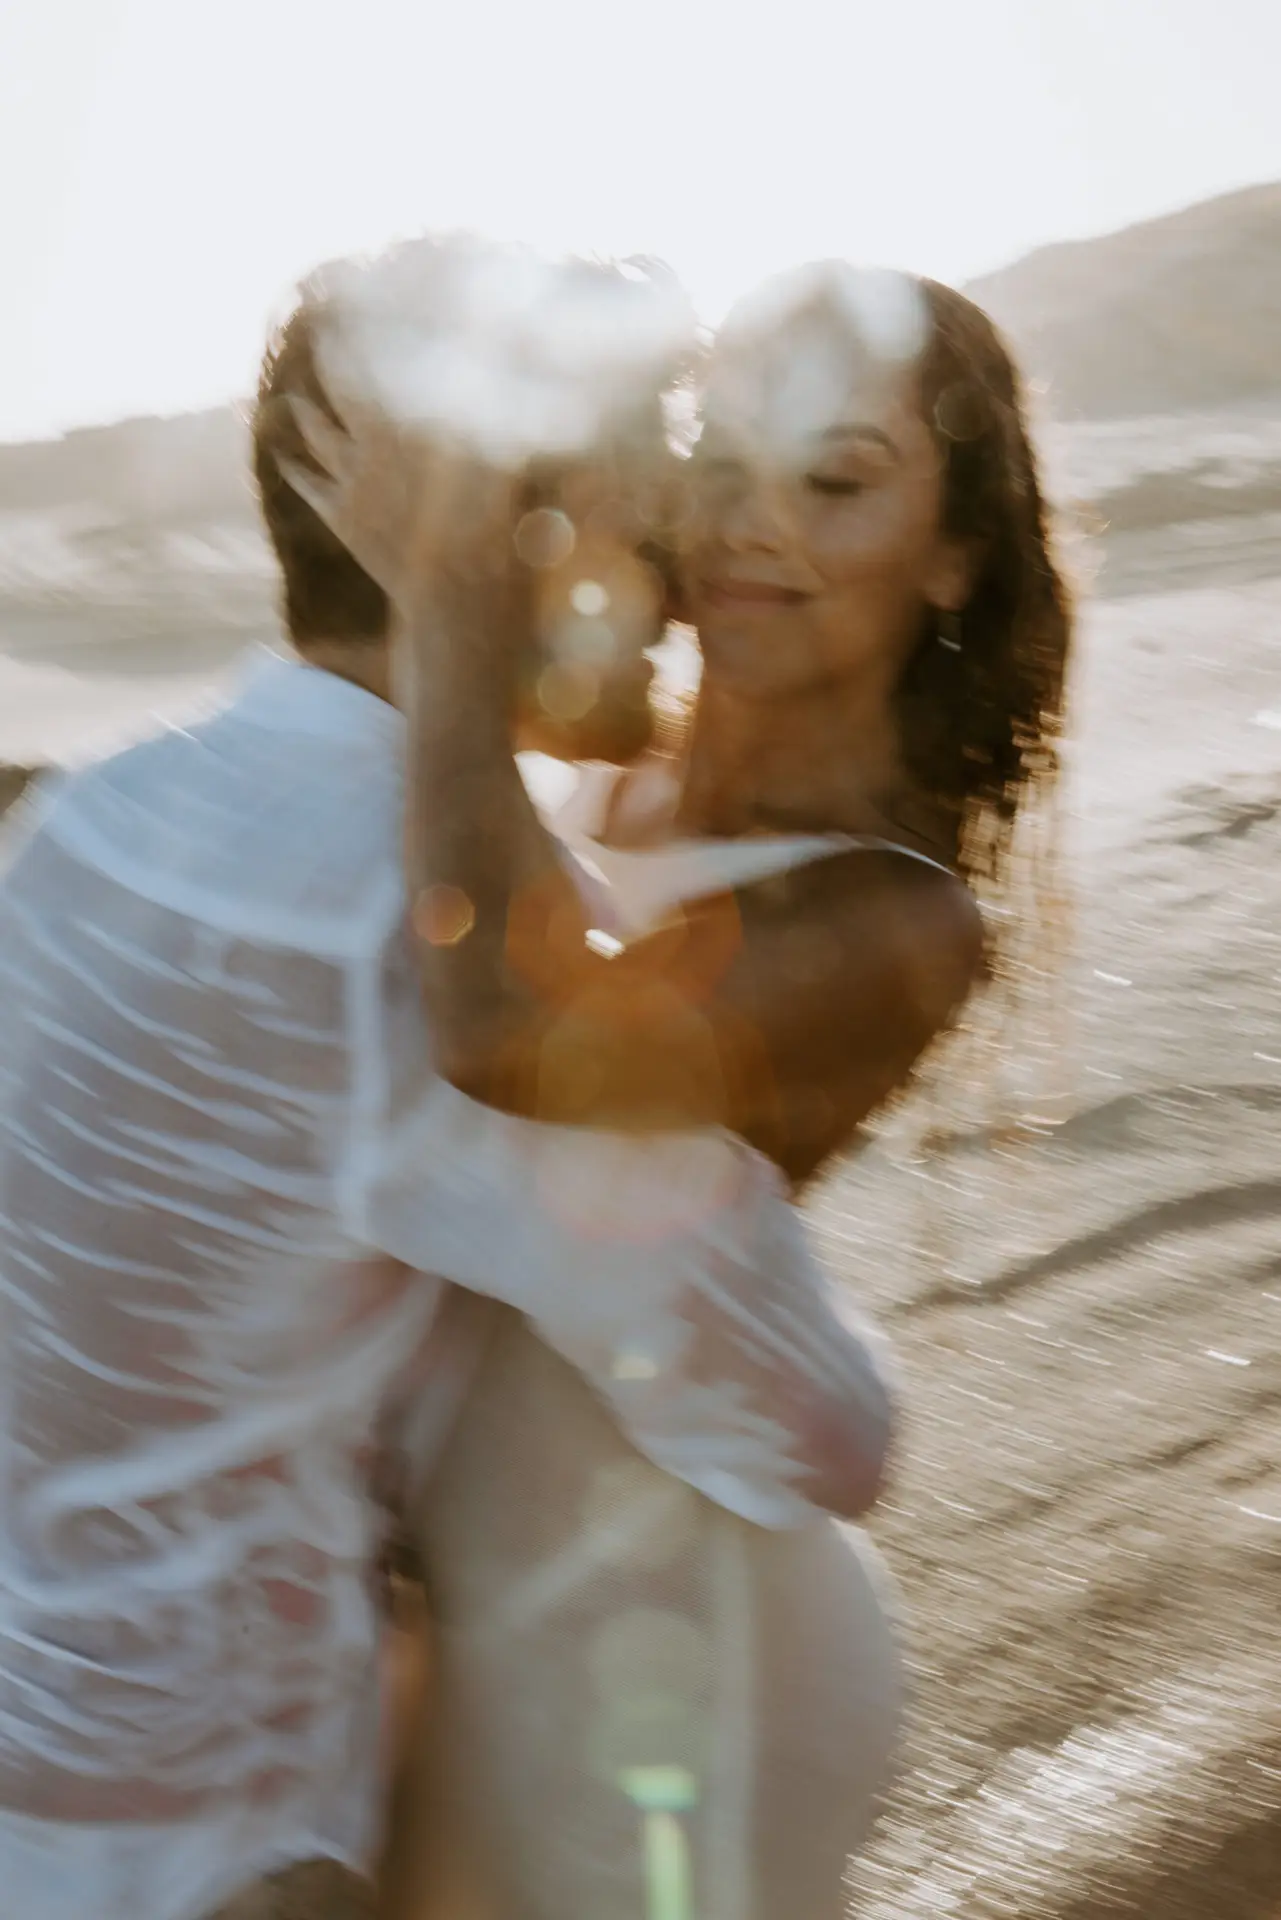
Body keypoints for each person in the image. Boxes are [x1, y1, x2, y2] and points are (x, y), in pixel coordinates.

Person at [0, 241, 896, 1920]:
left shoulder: (80, 831)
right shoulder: (409, 939)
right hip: (223, 1862)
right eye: (654, 509)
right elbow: (813, 1429)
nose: (696, 573)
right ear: (497, 557)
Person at [291, 258, 1071, 1918]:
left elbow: (502, 1029)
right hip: (460, 1610)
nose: (750, 527)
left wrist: (443, 606)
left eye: (835, 481)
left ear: (954, 552)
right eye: (721, 469)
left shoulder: (895, 916)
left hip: (682, 1661)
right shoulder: (582, 778)